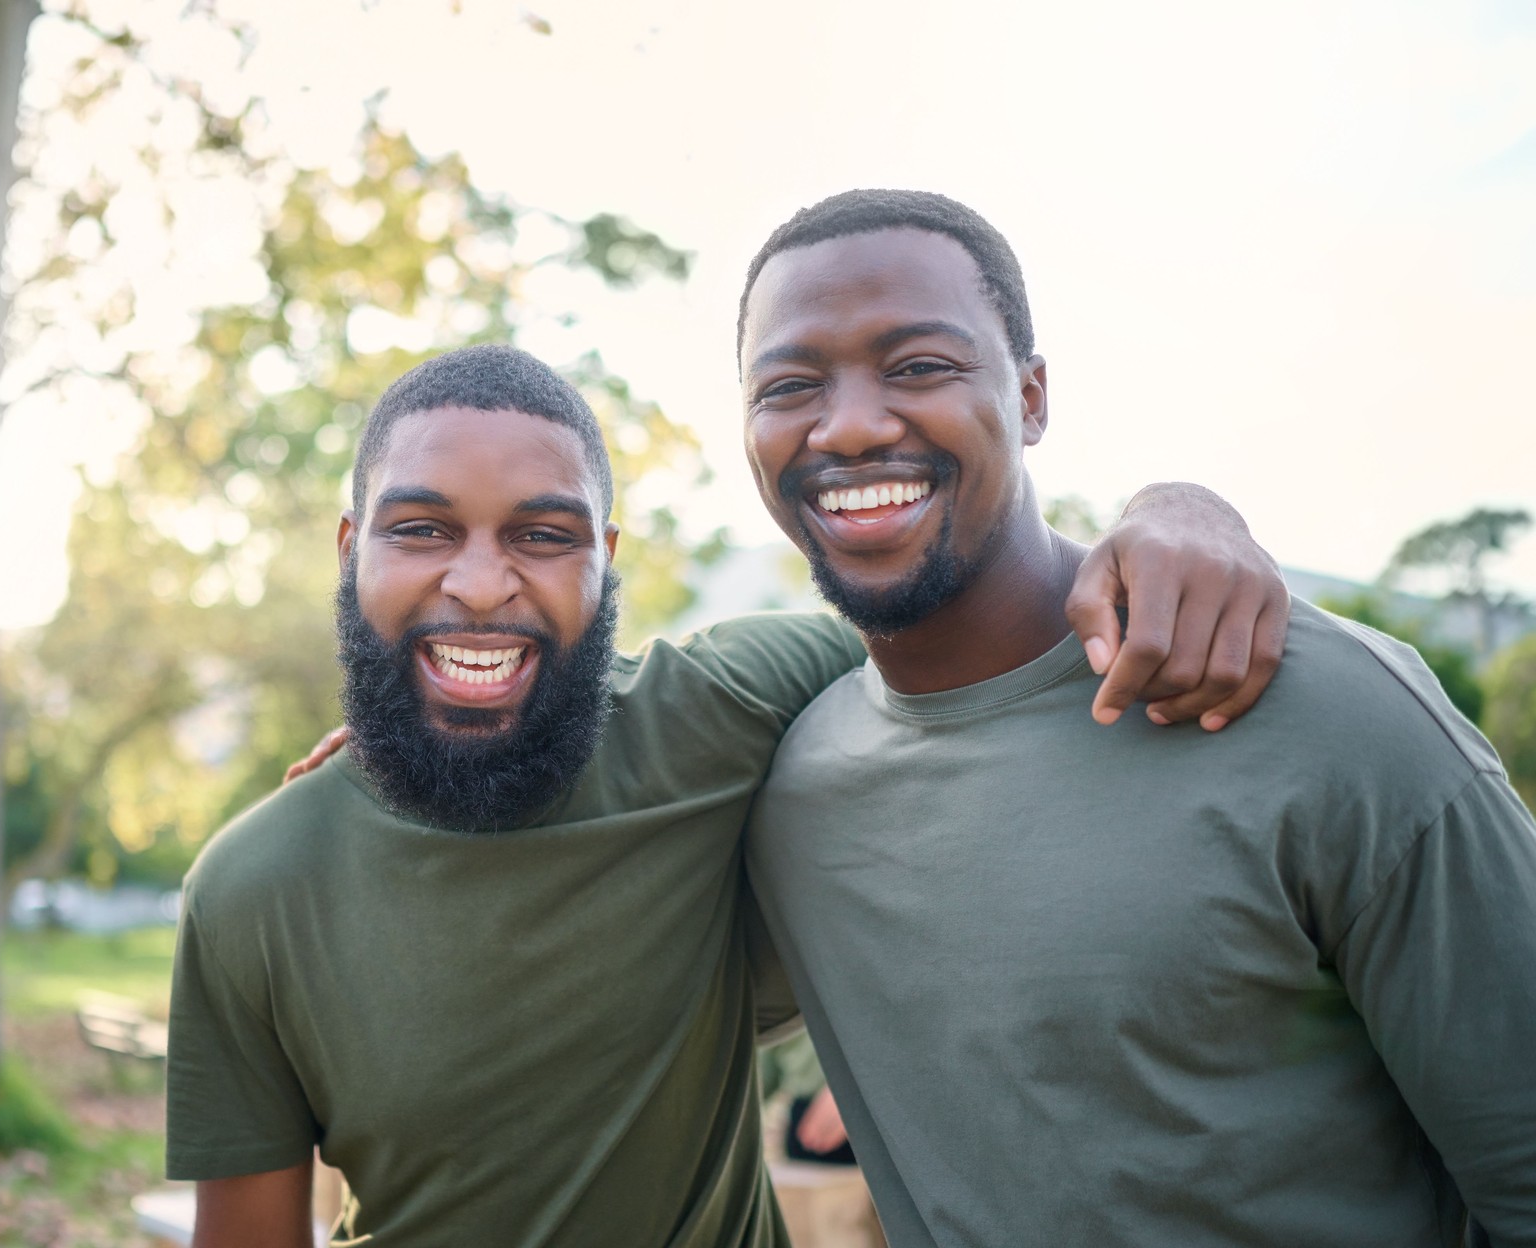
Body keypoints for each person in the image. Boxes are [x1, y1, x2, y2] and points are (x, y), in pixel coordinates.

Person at [166, 343, 1288, 1247]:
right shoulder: (253, 887)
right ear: (352, 547)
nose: (477, 582)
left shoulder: (710, 713)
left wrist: (1179, 511)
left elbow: (982, 613)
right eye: (422, 531)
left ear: (604, 559)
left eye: (542, 537)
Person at [739, 189, 1536, 1246]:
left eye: (919, 366)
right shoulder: (788, 787)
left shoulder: (1323, 707)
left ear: (1030, 397)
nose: (847, 424)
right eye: (791, 385)